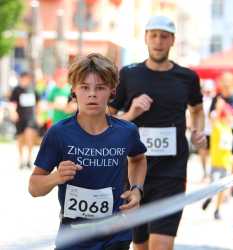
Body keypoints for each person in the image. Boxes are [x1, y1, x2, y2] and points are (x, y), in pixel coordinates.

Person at [28, 53, 147, 250]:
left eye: (100, 88)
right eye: (84, 87)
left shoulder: (126, 131)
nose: (92, 94)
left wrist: (137, 189)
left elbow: (138, 158)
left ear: (112, 91)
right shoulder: (59, 133)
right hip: (74, 237)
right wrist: (56, 177)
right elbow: (34, 187)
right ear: (74, 91)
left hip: (115, 234)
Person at [108, 15, 206, 250]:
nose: (158, 42)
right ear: (145, 38)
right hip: (133, 173)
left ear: (172, 40)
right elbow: (106, 120)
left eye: (164, 37)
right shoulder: (129, 74)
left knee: (161, 245)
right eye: (153, 36)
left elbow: (198, 110)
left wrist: (198, 131)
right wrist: (131, 113)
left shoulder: (187, 77)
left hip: (171, 173)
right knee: (140, 246)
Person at [202, 98, 233, 219]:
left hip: (226, 164)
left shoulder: (229, 128)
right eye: (228, 116)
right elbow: (212, 117)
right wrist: (220, 105)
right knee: (213, 186)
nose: (230, 118)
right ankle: (210, 198)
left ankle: (217, 210)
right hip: (216, 163)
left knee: (222, 188)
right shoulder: (217, 127)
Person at [9, 71, 39, 169]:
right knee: (20, 138)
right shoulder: (16, 90)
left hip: (31, 118)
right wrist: (13, 112)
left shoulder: (33, 89)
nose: (26, 80)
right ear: (21, 79)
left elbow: (38, 103)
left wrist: (39, 116)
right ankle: (21, 159)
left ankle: (29, 159)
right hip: (20, 118)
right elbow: (12, 103)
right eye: (24, 78)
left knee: (29, 135)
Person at [198, 79, 216, 180]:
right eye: (206, 90)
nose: (208, 92)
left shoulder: (216, 100)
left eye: (209, 90)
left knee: (212, 154)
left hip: (213, 132)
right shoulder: (200, 100)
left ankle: (211, 173)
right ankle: (205, 172)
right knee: (203, 153)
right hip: (203, 131)